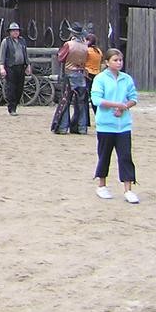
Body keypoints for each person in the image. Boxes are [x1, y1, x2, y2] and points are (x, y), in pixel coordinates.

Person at [91, 48, 139, 203]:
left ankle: (128, 189)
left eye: (120, 60)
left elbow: (133, 97)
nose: (119, 63)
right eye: (115, 60)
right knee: (104, 155)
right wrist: (116, 105)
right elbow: (97, 100)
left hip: (123, 125)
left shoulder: (126, 79)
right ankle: (102, 185)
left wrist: (124, 107)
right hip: (106, 124)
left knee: (125, 156)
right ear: (107, 62)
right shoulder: (100, 79)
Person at [52, 29, 89, 134]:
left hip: (70, 73)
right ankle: (81, 127)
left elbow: (61, 57)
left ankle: (63, 127)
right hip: (81, 74)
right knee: (81, 102)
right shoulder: (85, 46)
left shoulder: (69, 44)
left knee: (65, 100)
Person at [0, 22, 30, 116]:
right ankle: (11, 108)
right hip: (10, 67)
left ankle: (15, 106)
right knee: (11, 88)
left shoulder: (22, 41)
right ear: (10, 32)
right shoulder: (6, 41)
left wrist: (28, 65)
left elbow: (25, 54)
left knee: (20, 89)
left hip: (21, 67)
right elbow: (2, 55)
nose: (15, 32)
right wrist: (2, 68)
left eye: (17, 31)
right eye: (13, 31)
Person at [84, 33, 103, 123]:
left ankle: (86, 120)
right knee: (94, 97)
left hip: (87, 74)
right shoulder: (99, 51)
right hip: (96, 74)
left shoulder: (87, 51)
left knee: (85, 98)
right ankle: (98, 117)